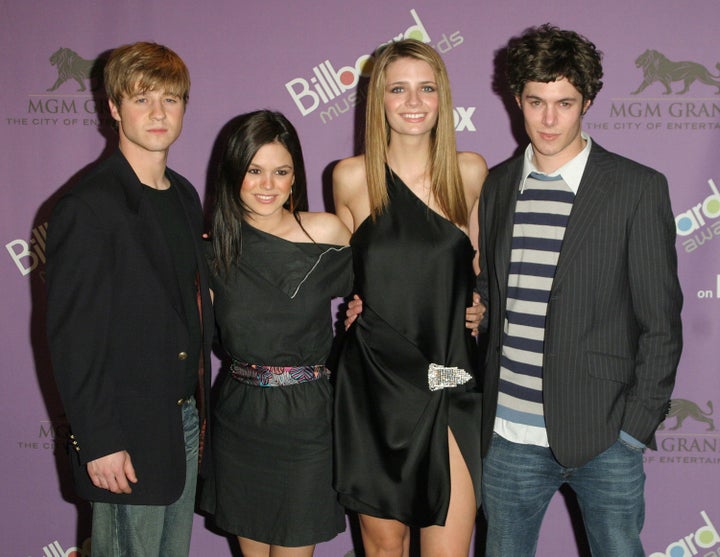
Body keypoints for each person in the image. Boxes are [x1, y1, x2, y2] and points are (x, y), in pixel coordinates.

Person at [476, 24, 683, 556]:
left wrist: (633, 430)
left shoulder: (637, 188)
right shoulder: (498, 185)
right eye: (536, 101)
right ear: (516, 98)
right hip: (508, 437)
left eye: (564, 103)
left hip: (604, 436)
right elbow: (492, 293)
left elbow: (661, 322)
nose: (548, 119)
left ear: (587, 101)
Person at [45, 42, 213, 556]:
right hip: (124, 431)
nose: (159, 113)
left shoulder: (184, 194)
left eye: (170, 98)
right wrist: (100, 441)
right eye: (142, 99)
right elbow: (74, 338)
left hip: (181, 422)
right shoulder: (88, 205)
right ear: (114, 108)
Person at [332, 38, 488, 557]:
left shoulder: (469, 172)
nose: (414, 102)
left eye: (426, 88)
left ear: (442, 97)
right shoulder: (351, 178)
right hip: (376, 387)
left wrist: (482, 308)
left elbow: (482, 276)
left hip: (450, 383)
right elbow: (337, 273)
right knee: (383, 550)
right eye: (398, 89)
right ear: (378, 100)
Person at [199, 110, 351, 557]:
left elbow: (388, 294)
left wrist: (469, 305)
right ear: (233, 174)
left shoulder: (323, 231)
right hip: (240, 417)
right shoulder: (213, 250)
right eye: (254, 171)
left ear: (293, 177)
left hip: (306, 421)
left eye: (280, 171)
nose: (268, 185)